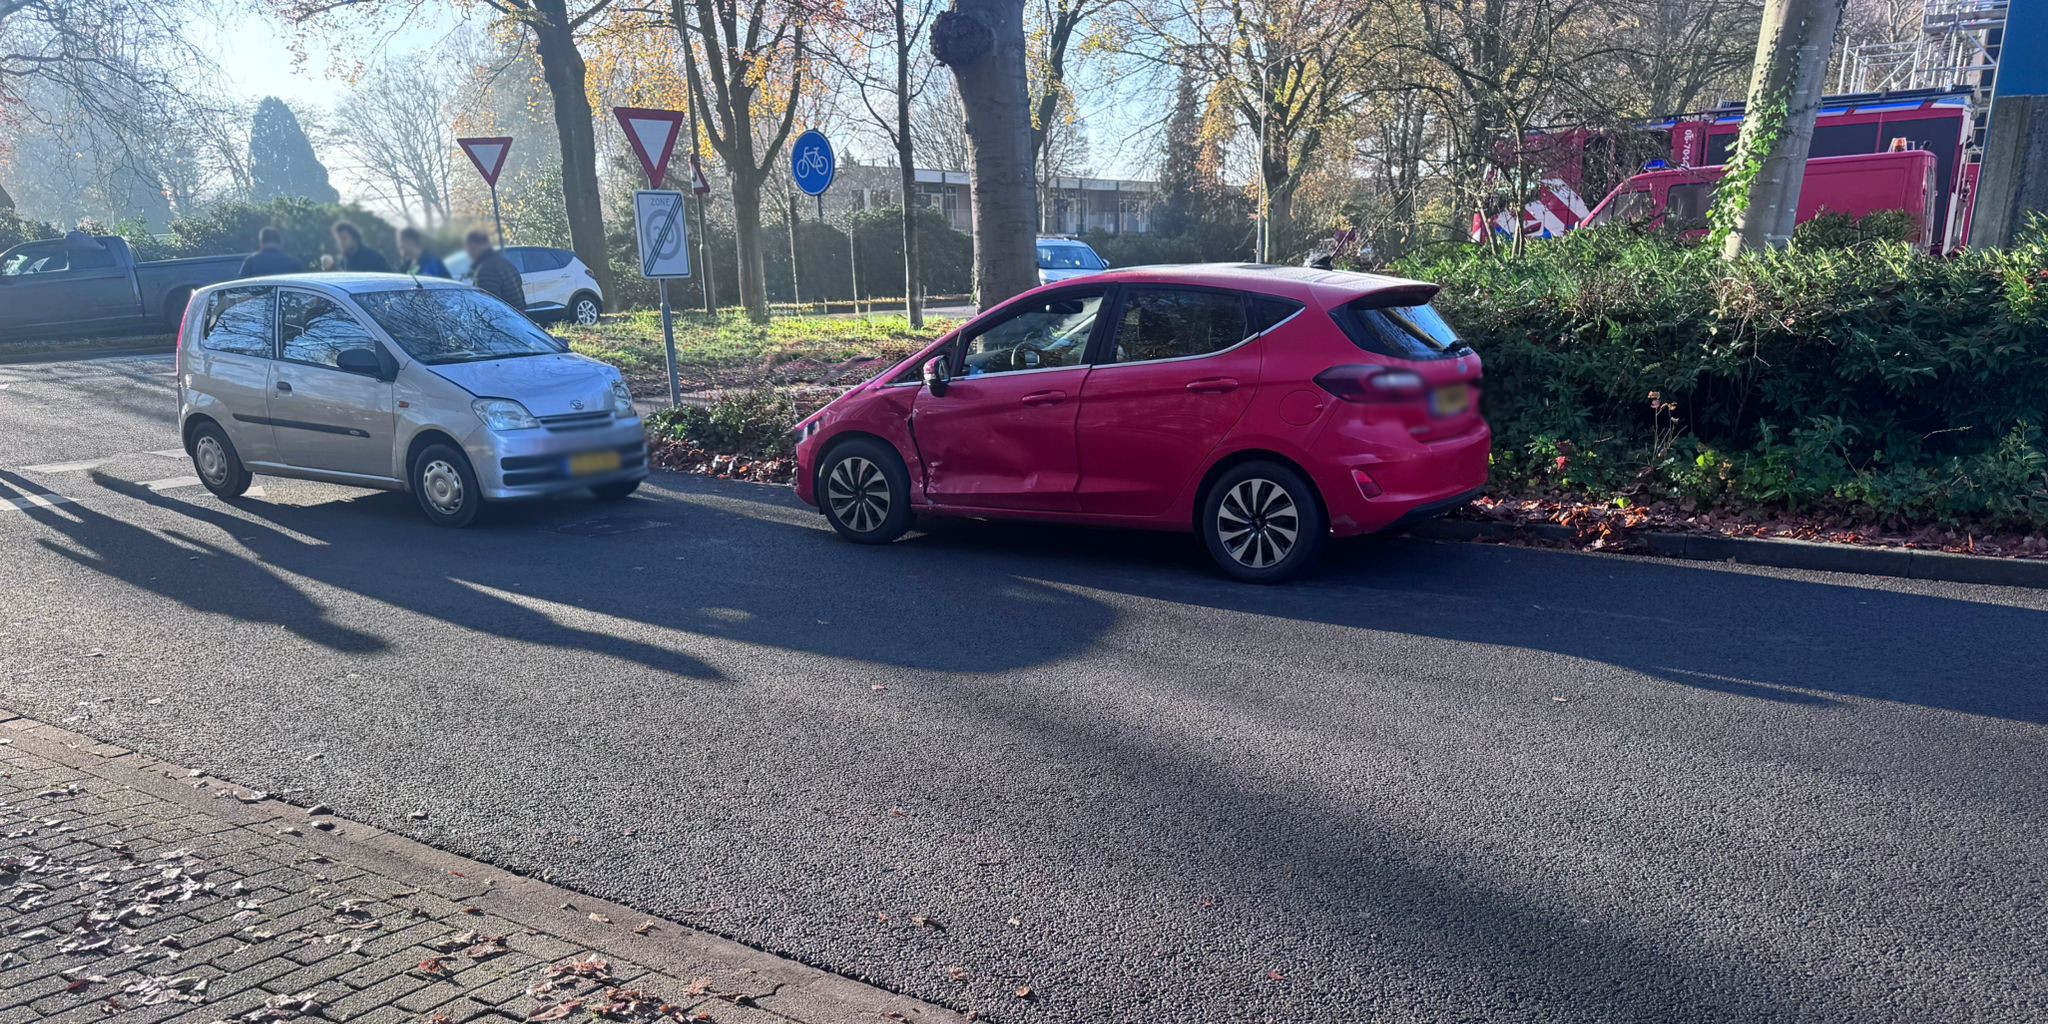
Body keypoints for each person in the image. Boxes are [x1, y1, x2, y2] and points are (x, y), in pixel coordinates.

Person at [464, 230, 526, 313]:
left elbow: (488, 305)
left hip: (502, 321)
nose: (470, 253)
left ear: (478, 246)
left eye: (471, 248)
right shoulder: (505, 263)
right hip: (518, 319)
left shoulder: (486, 269)